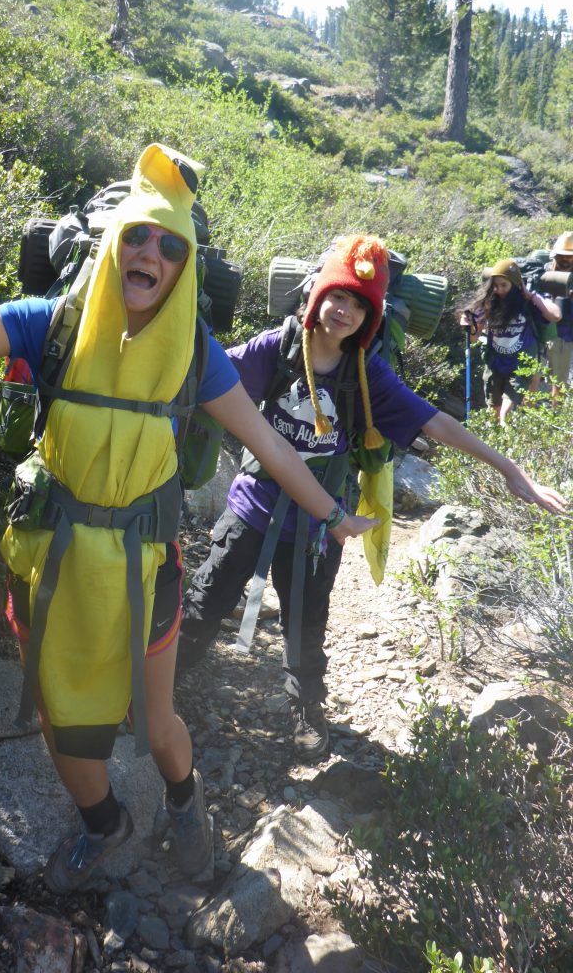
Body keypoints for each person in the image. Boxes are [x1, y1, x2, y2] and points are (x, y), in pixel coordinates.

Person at [0, 131, 379, 891]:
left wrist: (331, 515)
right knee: (61, 718)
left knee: (155, 724)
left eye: (169, 245)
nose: (150, 252)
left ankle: (185, 801)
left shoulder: (194, 353)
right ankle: (105, 822)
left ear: (183, 267)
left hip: (147, 563)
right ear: (115, 244)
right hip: (50, 558)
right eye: (137, 236)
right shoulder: (47, 322)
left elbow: (272, 451)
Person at [177, 236, 567, 760]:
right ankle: (163, 687)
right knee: (205, 604)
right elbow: (211, 373)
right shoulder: (280, 346)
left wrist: (508, 468)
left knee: (306, 626)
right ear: (317, 295)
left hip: (318, 527)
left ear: (371, 316)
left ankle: (306, 710)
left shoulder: (367, 373)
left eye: (360, 304)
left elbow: (436, 420)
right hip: (253, 508)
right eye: (338, 296)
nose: (344, 311)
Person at [461, 258, 562, 426]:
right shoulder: (488, 304)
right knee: (494, 409)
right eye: (495, 285)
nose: (499, 290)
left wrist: (531, 296)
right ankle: (494, 442)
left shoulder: (528, 302)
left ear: (515, 284)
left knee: (506, 411)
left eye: (504, 285)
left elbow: (555, 315)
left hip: (521, 363)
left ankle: (507, 446)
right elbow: (473, 338)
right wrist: (468, 325)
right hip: (495, 362)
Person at [545, 232, 573, 402]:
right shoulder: (545, 273)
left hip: (567, 336)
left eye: (569, 256)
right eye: (561, 255)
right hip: (554, 335)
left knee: (562, 383)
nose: (564, 259)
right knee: (557, 383)